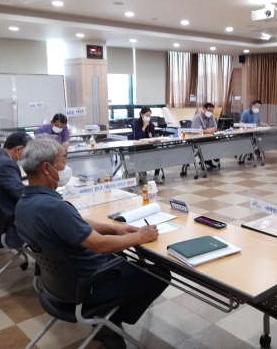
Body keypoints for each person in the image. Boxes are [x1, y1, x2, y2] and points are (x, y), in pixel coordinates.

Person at [15, 140, 170, 349]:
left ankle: (108, 321)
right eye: (63, 161)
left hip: (55, 284)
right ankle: (109, 323)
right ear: (46, 168)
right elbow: (101, 246)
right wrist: (140, 237)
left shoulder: (24, 204)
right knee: (160, 274)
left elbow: (75, 222)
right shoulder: (55, 208)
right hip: (87, 285)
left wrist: (113, 229)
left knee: (121, 258)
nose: (66, 167)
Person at [131, 107, 163, 184]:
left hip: (148, 146)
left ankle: (156, 175)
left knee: (158, 153)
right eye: (146, 115)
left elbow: (153, 137)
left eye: (149, 116)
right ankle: (142, 173)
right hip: (138, 147)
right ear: (141, 114)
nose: (148, 117)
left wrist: (152, 137)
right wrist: (144, 127)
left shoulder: (151, 125)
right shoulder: (135, 123)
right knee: (142, 156)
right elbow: (137, 137)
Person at [192, 103, 219, 168]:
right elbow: (196, 132)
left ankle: (213, 157)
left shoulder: (211, 116)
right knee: (205, 145)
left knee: (217, 143)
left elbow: (215, 128)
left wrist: (207, 131)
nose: (210, 113)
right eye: (208, 111)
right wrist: (209, 131)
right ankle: (207, 161)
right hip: (198, 140)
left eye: (211, 111)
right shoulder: (197, 118)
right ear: (204, 109)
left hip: (209, 138)